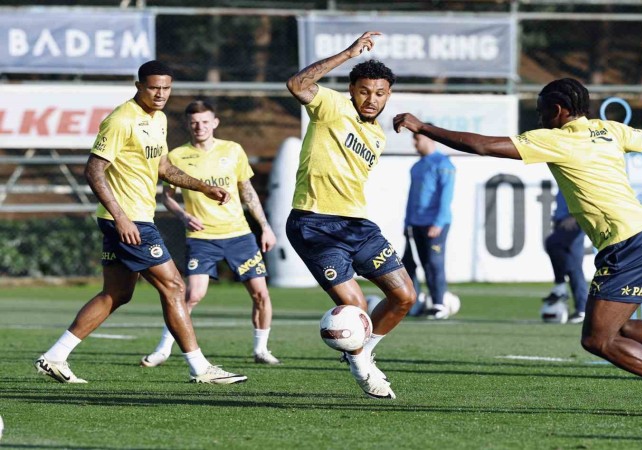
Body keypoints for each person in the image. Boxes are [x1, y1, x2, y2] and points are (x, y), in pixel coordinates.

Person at [393, 78, 642, 419]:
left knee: (597, 340)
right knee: (622, 328)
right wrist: (625, 132)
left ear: (558, 110)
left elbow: (482, 145)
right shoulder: (609, 130)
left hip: (628, 241)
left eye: (543, 112)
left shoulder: (556, 139)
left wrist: (423, 126)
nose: (540, 120)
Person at [34, 61, 246, 385]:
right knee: (174, 286)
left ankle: (55, 356)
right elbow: (93, 170)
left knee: (116, 294)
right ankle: (200, 367)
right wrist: (121, 218)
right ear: (138, 86)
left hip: (134, 218)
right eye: (153, 87)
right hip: (129, 219)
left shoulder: (158, 119)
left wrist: (203, 186)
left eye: (166, 88)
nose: (161, 94)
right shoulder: (121, 119)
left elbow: (164, 168)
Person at [285, 31, 416, 400]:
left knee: (405, 296)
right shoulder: (330, 106)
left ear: (388, 95)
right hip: (314, 223)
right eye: (363, 91)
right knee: (355, 306)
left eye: (379, 93)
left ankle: (363, 350)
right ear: (351, 89)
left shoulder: (378, 136)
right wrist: (347, 53)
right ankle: (362, 368)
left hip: (357, 225)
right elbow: (297, 83)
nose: (371, 99)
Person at [139, 100, 280, 369]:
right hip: (202, 237)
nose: (199, 127)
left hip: (240, 235)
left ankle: (261, 349)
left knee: (261, 293)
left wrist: (265, 227)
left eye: (205, 121)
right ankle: (163, 349)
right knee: (192, 295)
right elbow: (167, 198)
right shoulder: (177, 156)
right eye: (194, 122)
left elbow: (247, 191)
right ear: (187, 125)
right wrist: (183, 215)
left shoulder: (233, 150)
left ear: (215, 122)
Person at [402, 128, 456, 319]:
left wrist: (438, 222)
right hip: (415, 224)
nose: (415, 143)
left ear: (429, 138)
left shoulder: (443, 164)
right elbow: (411, 197)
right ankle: (413, 303)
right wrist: (407, 222)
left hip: (434, 224)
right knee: (409, 263)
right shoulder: (416, 167)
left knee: (433, 263)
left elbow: (446, 197)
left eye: (417, 138)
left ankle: (439, 304)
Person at [542, 191, 588, 324]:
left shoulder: (575, 171)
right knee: (573, 265)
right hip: (562, 221)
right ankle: (582, 309)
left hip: (573, 221)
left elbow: (586, 193)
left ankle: (560, 286)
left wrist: (575, 216)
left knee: (552, 242)